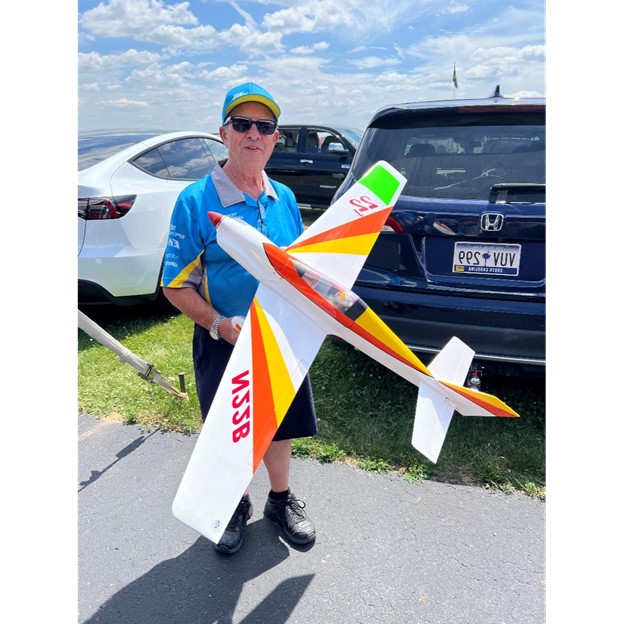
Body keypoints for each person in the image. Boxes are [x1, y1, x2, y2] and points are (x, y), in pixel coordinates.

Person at [162, 82, 317, 555]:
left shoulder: (284, 197)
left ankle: (280, 500)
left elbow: (300, 269)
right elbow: (174, 284)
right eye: (242, 124)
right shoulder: (195, 201)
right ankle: (233, 506)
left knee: (281, 424)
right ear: (223, 133)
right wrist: (217, 325)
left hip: (281, 338)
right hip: (223, 339)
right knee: (232, 430)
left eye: (264, 126)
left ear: (274, 138)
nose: (254, 134)